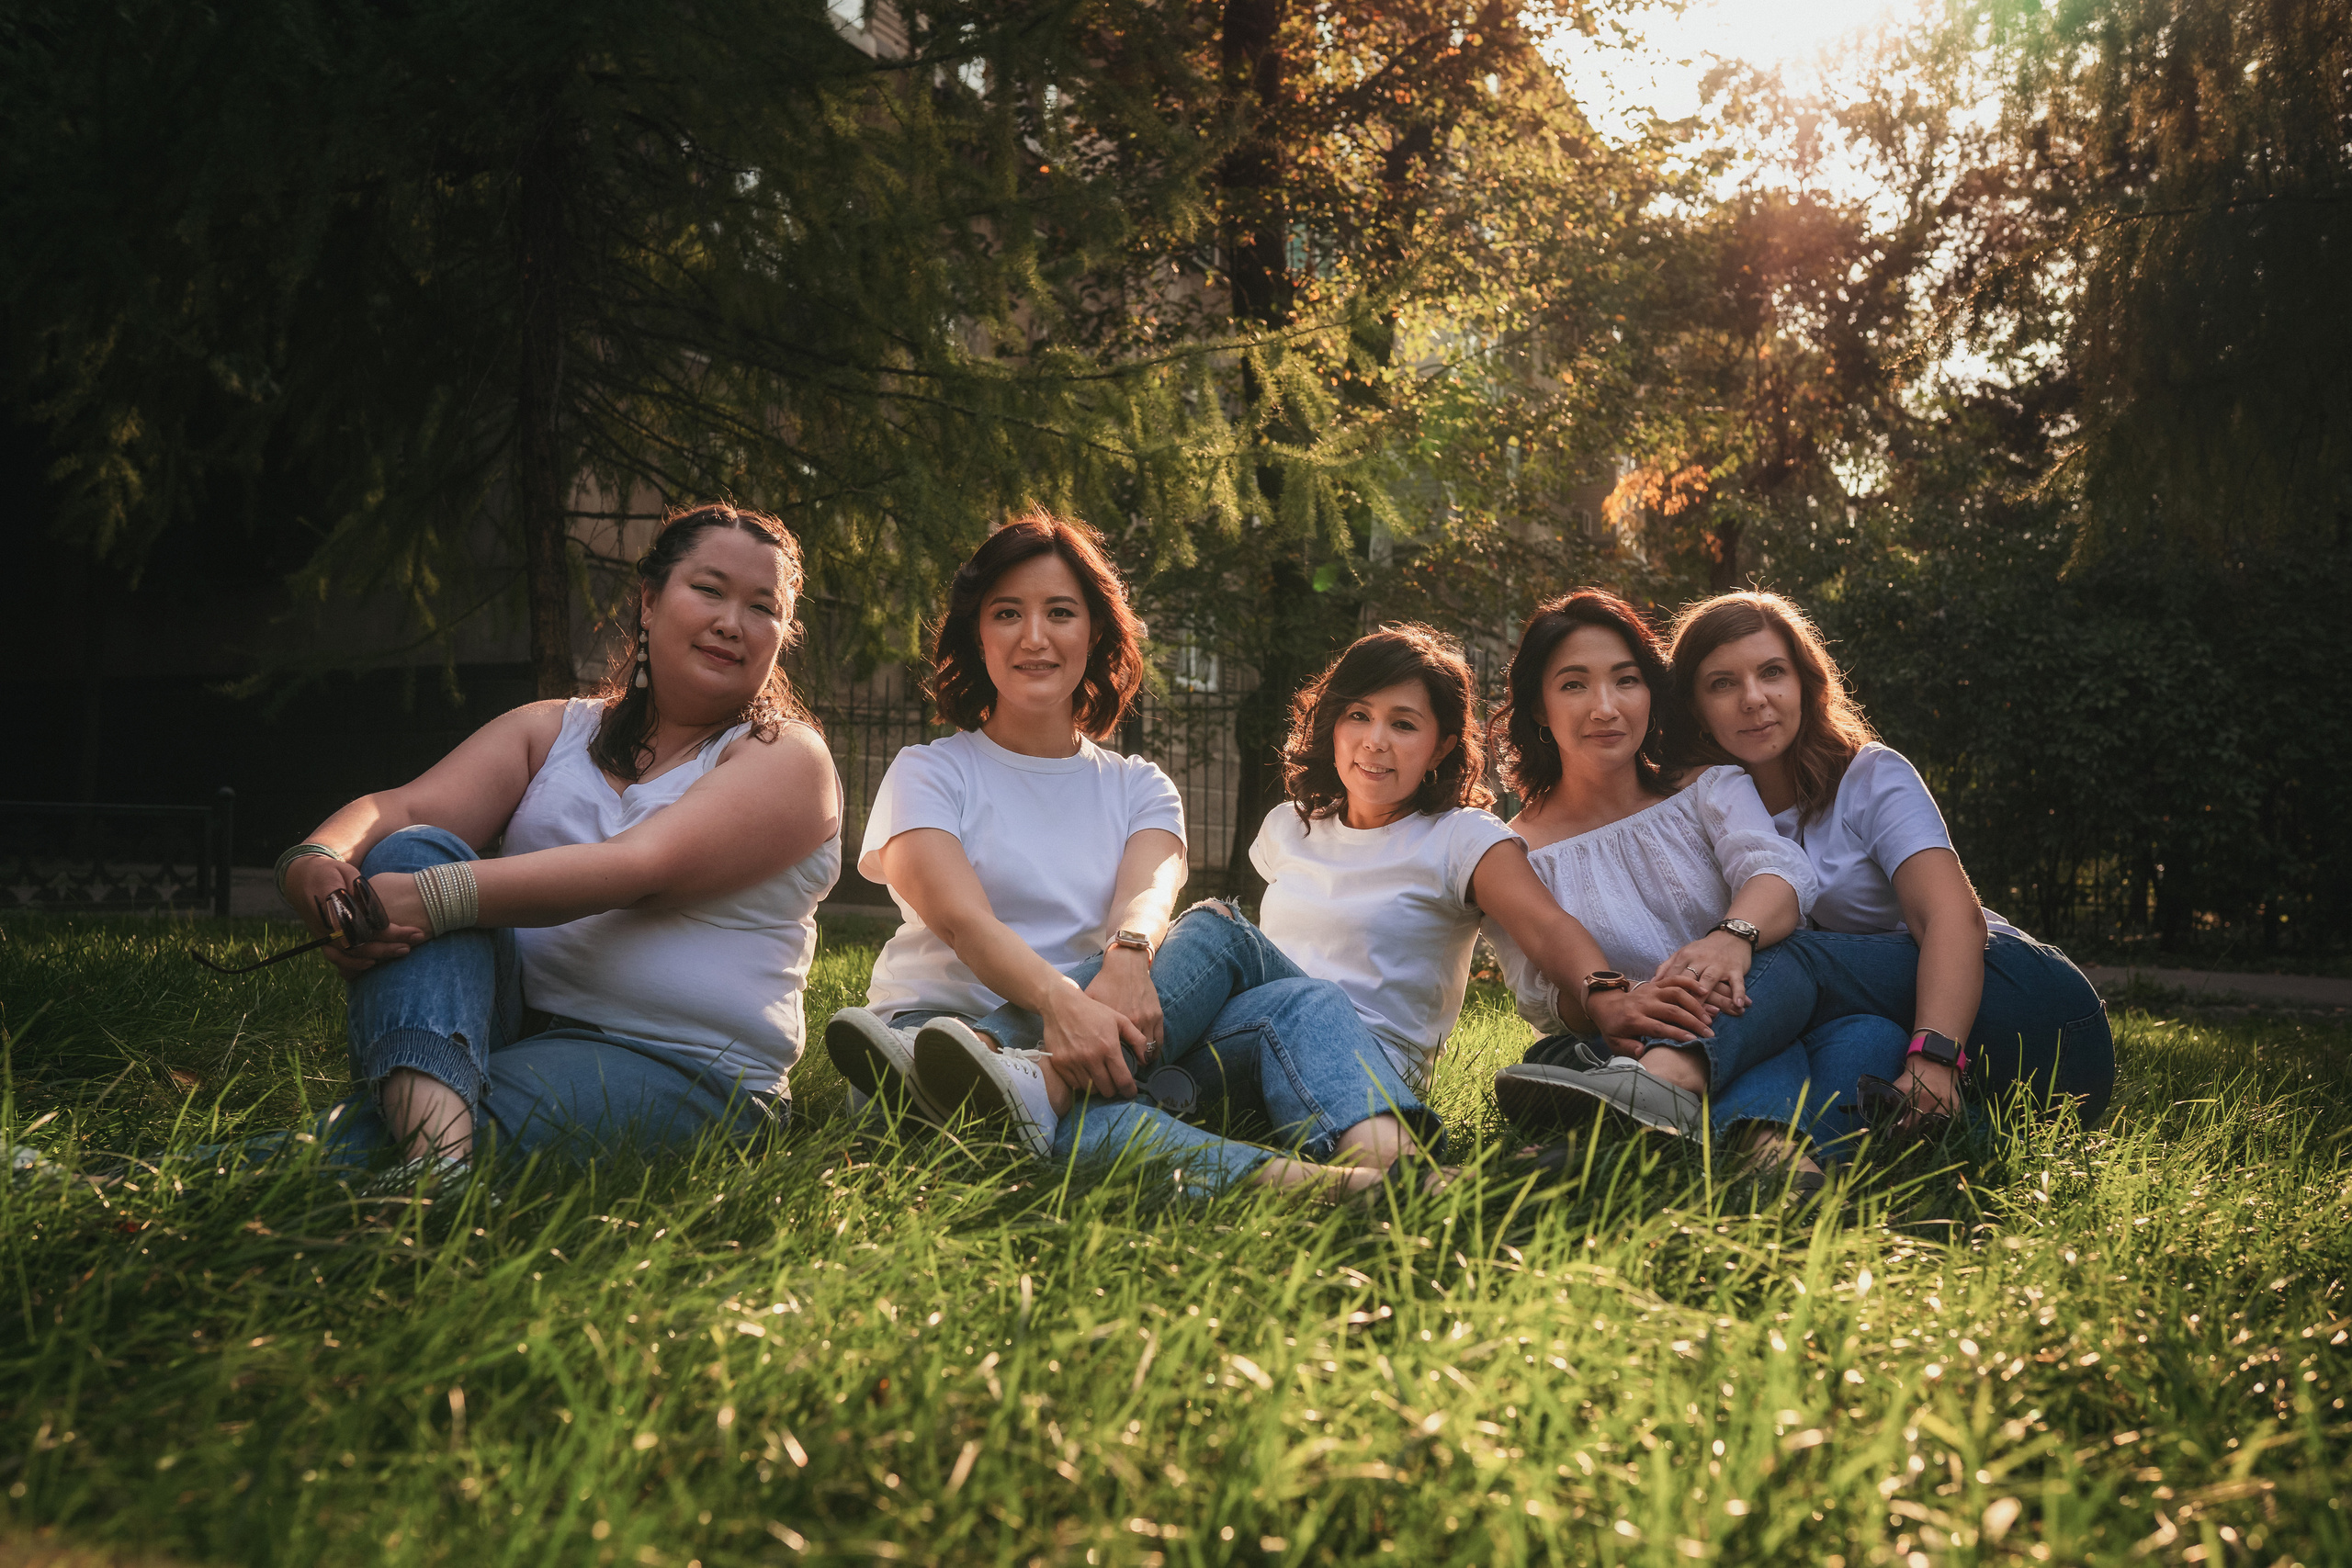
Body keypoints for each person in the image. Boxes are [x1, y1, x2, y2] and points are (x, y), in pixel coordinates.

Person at [881, 620, 1712, 1194]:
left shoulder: (1459, 836)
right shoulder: (1291, 828)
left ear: (1444, 745)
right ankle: (1362, 1191)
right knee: (1119, 1102)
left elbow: (1546, 926)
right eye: (1358, 716)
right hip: (1244, 1052)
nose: (1375, 741)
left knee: (1224, 932)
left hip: (1361, 1069)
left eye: (1404, 724)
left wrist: (1608, 993)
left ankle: (1022, 1064)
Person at [824, 513, 1440, 1199]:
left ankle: (1392, 1167)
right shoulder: (928, 772)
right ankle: (1344, 1192)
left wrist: (1127, 954)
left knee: (1296, 994)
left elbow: (1150, 892)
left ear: (1094, 633)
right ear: (978, 632)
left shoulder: (1140, 785)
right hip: (923, 1048)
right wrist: (1064, 1004)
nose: (1035, 637)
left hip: (1113, 1033)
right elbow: (963, 921)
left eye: (1060, 612)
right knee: (1095, 1116)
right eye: (1007, 613)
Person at [272, 502, 842, 1177]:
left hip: (686, 1067)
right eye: (709, 589)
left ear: (783, 633)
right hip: (510, 1022)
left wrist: (434, 897)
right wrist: (314, 859)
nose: (731, 622)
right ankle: (440, 1166)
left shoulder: (788, 758)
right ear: (651, 601)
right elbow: (402, 807)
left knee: (384, 1129)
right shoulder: (553, 730)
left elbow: (640, 866)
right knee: (417, 845)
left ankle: (421, 1156)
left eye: (763, 606)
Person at [1479, 592, 1912, 1180]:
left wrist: (1731, 938)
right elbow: (1540, 995)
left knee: (1864, 1032)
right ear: (1537, 706)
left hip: (1752, 1004)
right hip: (1621, 1047)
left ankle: (1626, 1150)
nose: (1605, 707)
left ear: (1651, 694)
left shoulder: (1709, 787)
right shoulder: (1512, 850)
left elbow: (1780, 875)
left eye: (1626, 680)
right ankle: (1779, 1160)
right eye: (1574, 685)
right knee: (1745, 1023)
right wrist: (1627, 1002)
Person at [1664, 590, 2115, 1128]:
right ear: (1693, 706)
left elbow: (1950, 916)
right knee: (1849, 1057)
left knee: (1785, 953)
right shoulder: (1708, 814)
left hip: (2030, 1007)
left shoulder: (1871, 776)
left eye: (1772, 673)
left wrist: (1935, 1056)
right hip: (1969, 1069)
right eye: (1723, 683)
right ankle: (1796, 1171)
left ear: (1804, 683)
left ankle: (1653, 1081)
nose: (1754, 698)